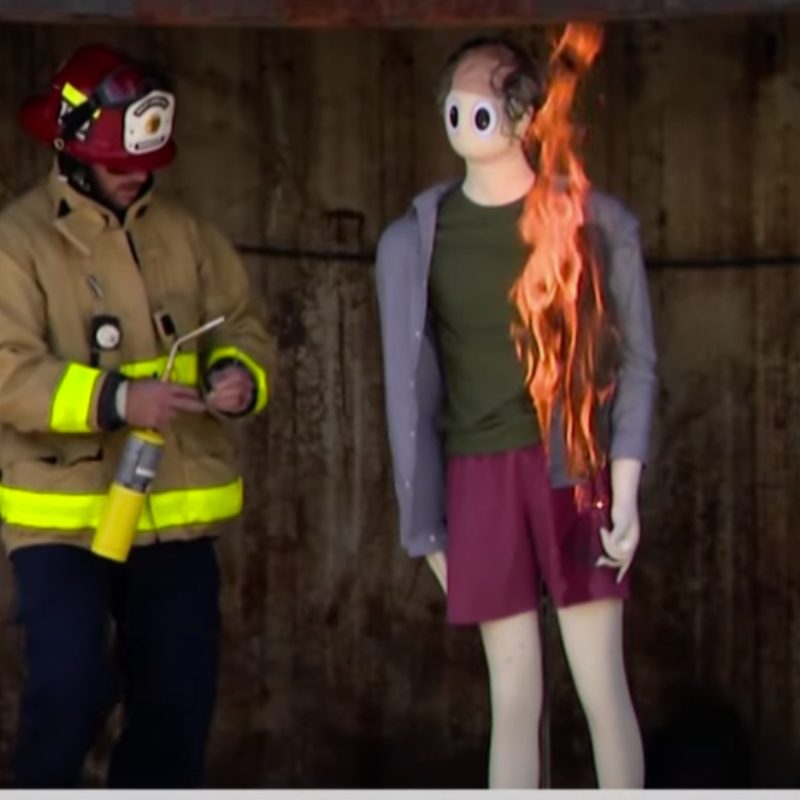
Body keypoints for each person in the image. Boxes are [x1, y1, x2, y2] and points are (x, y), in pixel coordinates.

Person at [375, 34, 656, 788]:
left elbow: (636, 363)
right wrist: (423, 523)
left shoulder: (592, 223)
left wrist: (624, 488)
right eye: (456, 99)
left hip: (575, 469)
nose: (468, 113)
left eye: (490, 98)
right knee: (513, 698)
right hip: (478, 474)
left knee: (602, 687)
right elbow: (405, 387)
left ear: (529, 114)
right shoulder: (412, 244)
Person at [0, 43, 273, 788]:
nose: (134, 173)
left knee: (178, 701)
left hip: (172, 513)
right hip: (64, 517)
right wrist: (117, 399)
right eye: (115, 157)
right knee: (71, 687)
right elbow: (8, 372)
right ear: (70, 150)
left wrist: (235, 375)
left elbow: (243, 326)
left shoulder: (187, 236)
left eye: (143, 159)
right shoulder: (16, 245)